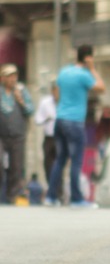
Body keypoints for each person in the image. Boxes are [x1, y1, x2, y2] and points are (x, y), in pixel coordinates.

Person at [45, 44, 105, 207]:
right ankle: (76, 199)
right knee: (76, 160)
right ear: (88, 58)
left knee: (60, 159)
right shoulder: (84, 74)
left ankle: (50, 197)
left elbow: (56, 92)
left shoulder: (64, 72)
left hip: (60, 120)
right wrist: (92, 69)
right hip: (75, 122)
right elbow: (101, 88)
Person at [0, 63, 34, 205]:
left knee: (16, 166)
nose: (12, 79)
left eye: (14, 76)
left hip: (18, 134)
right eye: (9, 76)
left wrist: (21, 100)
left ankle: (12, 195)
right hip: (1, 135)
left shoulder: (22, 90)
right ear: (2, 78)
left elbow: (30, 110)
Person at [34, 79, 59, 197]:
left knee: (60, 164)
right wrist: (46, 119)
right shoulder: (45, 102)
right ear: (52, 91)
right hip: (49, 138)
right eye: (56, 91)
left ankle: (59, 192)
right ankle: (51, 190)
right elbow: (38, 119)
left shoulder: (65, 103)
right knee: (48, 164)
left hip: (61, 138)